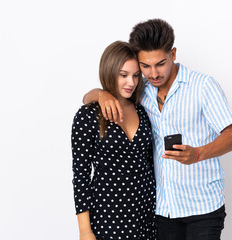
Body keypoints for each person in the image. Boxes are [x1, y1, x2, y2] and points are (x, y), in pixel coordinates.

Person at [83, 19, 232, 240]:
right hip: (163, 210)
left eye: (160, 63)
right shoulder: (141, 90)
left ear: (173, 54)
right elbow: (88, 97)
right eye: (145, 66)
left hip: (203, 208)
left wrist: (197, 154)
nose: (153, 73)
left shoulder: (203, 86)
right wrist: (101, 94)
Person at [71, 41, 156, 240]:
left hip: (147, 217)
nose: (131, 82)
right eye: (123, 75)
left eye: (136, 75)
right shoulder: (88, 116)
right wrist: (85, 231)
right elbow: (81, 176)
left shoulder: (143, 110)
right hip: (107, 220)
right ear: (109, 71)